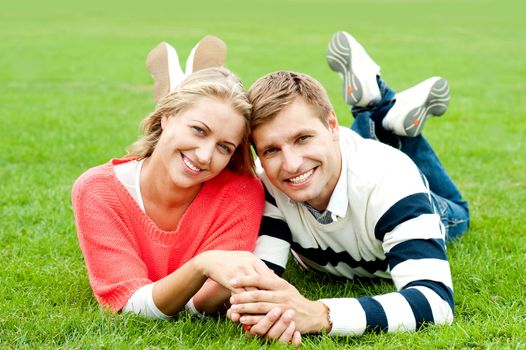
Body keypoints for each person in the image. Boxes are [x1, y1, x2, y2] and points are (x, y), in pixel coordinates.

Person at [227, 31, 470, 342]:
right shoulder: (267, 183)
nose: (290, 164)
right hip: (352, 169)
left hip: (399, 192)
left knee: (458, 213)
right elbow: (263, 279)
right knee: (318, 165)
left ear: (332, 126)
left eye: (302, 138)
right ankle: (380, 114)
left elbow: (435, 302)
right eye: (271, 149)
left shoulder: (390, 181)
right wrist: (264, 308)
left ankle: (379, 113)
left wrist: (322, 315)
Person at [71, 36, 270, 320]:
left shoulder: (241, 192)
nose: (204, 155)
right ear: (165, 117)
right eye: (199, 130)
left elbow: (204, 302)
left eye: (224, 147)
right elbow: (129, 304)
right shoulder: (97, 190)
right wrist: (202, 265)